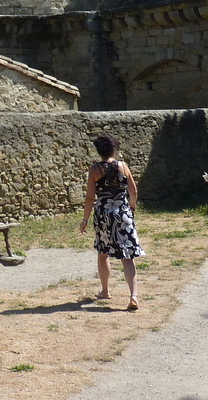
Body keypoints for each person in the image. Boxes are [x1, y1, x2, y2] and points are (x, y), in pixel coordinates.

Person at [79, 132, 144, 310]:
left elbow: (90, 197)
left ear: (99, 151)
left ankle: (105, 290)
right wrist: (131, 206)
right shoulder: (124, 166)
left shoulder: (95, 170)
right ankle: (133, 295)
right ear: (114, 150)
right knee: (128, 257)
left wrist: (84, 219)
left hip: (103, 215)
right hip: (122, 213)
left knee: (103, 253)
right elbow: (134, 191)